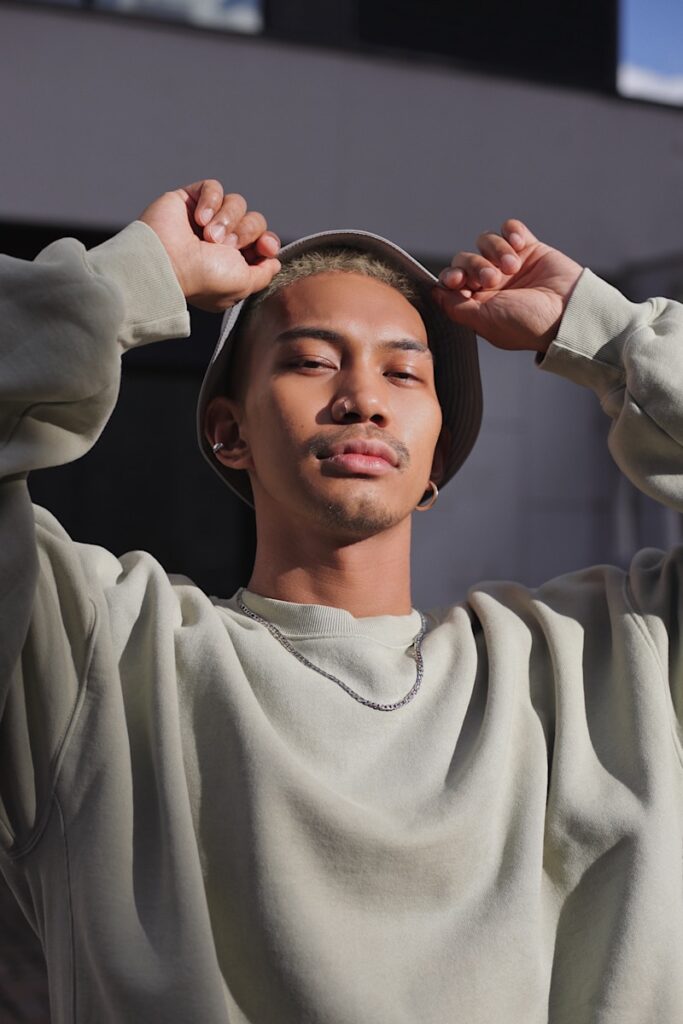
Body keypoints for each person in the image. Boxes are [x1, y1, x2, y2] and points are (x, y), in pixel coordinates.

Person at [1, 178, 682, 1024]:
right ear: (228, 430)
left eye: (405, 372)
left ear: (437, 459)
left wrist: (608, 332)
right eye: (312, 361)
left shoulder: (604, 661)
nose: (363, 398)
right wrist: (132, 278)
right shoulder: (99, 651)